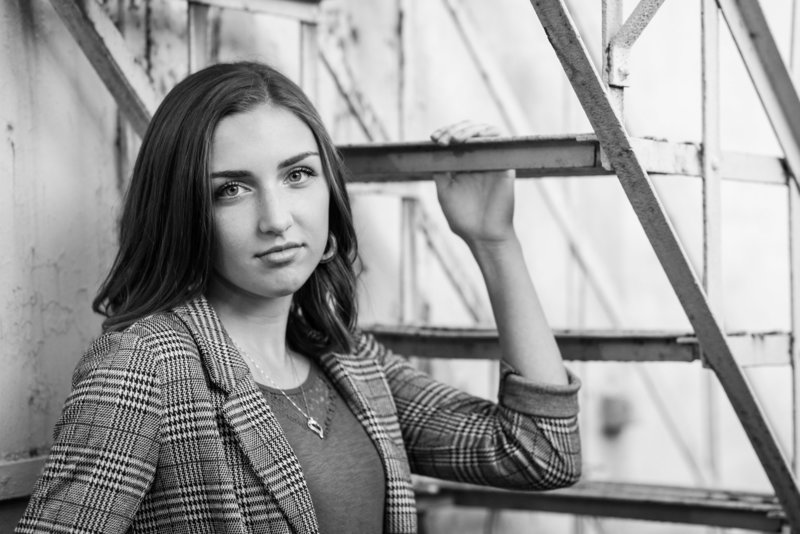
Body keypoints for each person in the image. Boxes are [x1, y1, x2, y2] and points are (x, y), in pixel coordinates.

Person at [17, 61, 581, 534]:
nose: (277, 220)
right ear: (183, 210)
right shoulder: (144, 365)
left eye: (297, 175)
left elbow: (540, 453)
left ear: (329, 189)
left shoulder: (349, 361)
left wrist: (494, 241)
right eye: (230, 190)